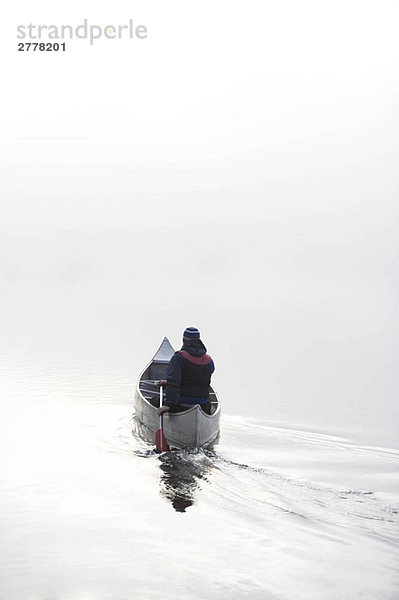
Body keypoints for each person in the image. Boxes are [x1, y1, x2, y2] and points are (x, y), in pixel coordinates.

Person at [157, 327, 215, 416]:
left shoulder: (178, 358)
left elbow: (174, 382)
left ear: (184, 340)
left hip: (181, 406)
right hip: (203, 406)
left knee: (155, 400)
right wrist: (167, 382)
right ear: (199, 341)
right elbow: (195, 379)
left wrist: (168, 405)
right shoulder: (209, 360)